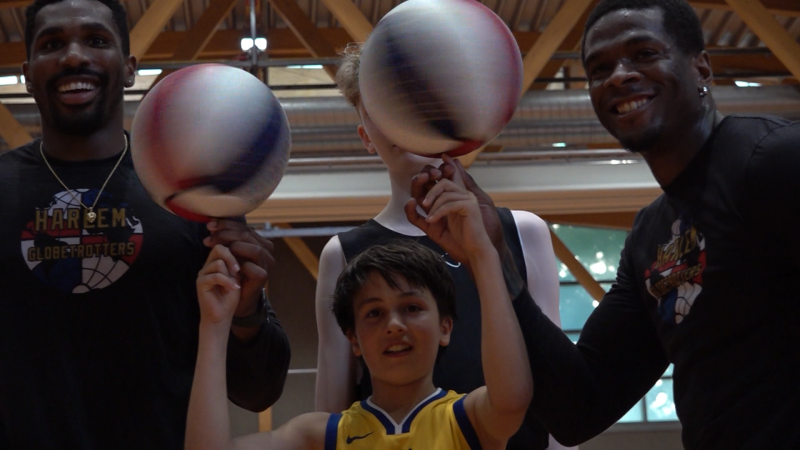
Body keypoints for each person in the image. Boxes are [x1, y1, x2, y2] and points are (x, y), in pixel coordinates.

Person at [408, 0, 800, 448]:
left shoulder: (775, 160)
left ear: (702, 69)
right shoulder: (651, 236)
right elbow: (580, 407)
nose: (619, 75)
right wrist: (493, 255)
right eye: (599, 68)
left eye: (645, 54)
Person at [0, 0, 290, 448]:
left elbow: (258, 393)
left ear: (131, 68)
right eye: (52, 44)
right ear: (26, 73)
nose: (74, 56)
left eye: (96, 40)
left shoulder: (194, 195)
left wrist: (248, 312)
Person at [314, 43, 568, 449]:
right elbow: (331, 414)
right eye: (384, 107)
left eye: (415, 101)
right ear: (366, 136)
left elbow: (560, 385)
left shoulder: (524, 231)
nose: (403, 119)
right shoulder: (342, 254)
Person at [186, 181, 532, 450]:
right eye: (374, 313)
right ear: (352, 338)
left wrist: (482, 254)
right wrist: (215, 325)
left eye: (411, 308)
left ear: (445, 326)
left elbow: (514, 396)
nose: (394, 325)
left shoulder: (469, 419)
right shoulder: (322, 435)